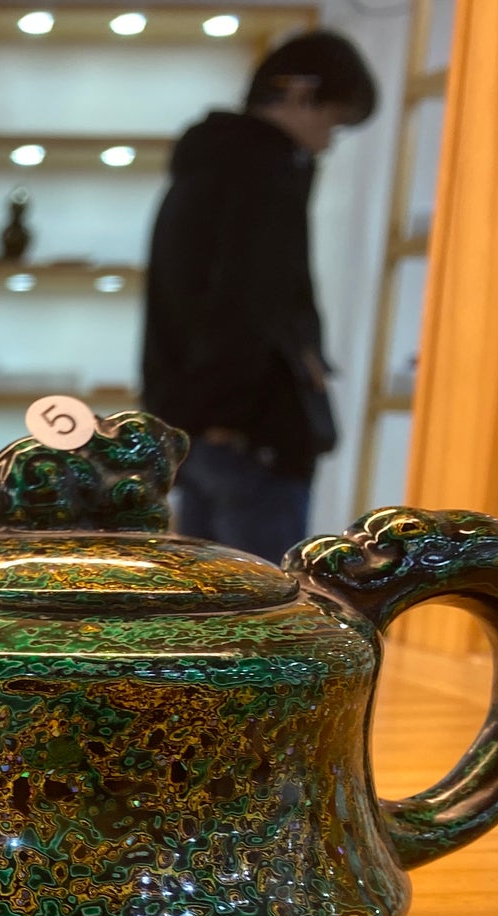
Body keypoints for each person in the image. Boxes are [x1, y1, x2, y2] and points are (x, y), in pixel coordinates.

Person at [142, 31, 379, 563]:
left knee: (206, 595)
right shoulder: (265, 171)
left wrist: (196, 415)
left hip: (194, 428)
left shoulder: (207, 162)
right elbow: (251, 300)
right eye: (331, 121)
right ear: (299, 93)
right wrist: (229, 414)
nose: (326, 142)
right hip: (250, 433)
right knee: (264, 600)